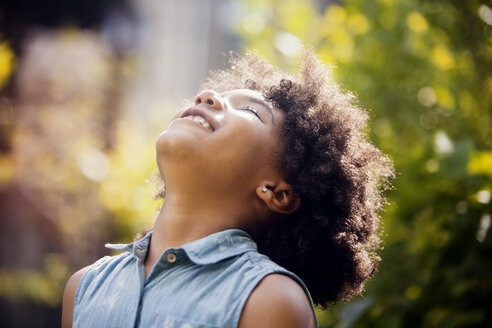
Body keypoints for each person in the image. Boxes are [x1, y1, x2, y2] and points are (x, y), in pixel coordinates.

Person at [61, 50, 394, 328]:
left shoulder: (269, 301)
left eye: (250, 110)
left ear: (276, 192)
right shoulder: (83, 288)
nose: (206, 96)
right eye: (212, 95)